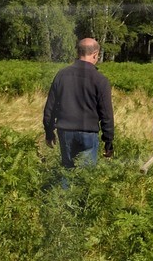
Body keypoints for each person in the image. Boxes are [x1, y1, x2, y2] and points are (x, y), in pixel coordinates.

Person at [42, 36, 115, 170]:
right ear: (95, 55)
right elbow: (106, 114)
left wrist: (49, 132)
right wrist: (108, 141)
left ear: (78, 53)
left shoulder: (61, 75)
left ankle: (63, 192)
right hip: (88, 133)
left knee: (67, 171)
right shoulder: (100, 80)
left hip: (65, 132)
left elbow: (50, 108)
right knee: (84, 177)